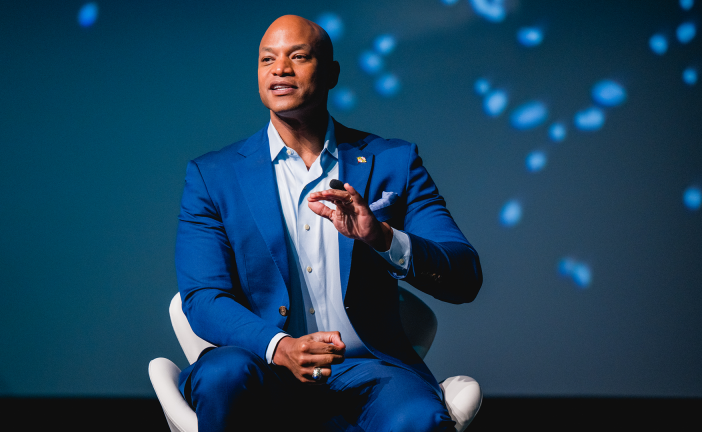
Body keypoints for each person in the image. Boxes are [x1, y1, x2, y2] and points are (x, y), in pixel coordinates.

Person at [174, 14, 482, 432]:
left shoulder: (394, 162)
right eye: (267, 60)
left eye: (298, 56)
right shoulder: (214, 176)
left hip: (369, 370)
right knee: (222, 375)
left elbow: (464, 276)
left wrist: (383, 237)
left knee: (419, 418)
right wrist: (280, 346)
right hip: (263, 365)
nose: (280, 69)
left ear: (332, 73)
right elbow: (203, 297)